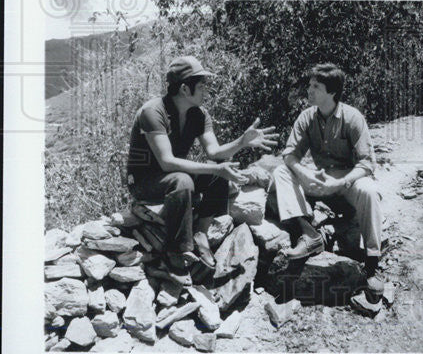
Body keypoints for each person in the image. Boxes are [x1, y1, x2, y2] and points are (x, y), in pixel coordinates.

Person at [125, 56, 278, 285]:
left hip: (172, 176)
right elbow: (166, 161)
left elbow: (214, 153)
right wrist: (216, 167)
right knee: (184, 181)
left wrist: (242, 142)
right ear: (185, 89)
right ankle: (176, 253)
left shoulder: (199, 114)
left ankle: (201, 233)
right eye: (202, 86)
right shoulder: (153, 112)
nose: (207, 91)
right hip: (144, 180)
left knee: (214, 174)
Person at [270, 64, 384, 294]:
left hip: (348, 182)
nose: (309, 91)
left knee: (370, 191)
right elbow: (290, 155)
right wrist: (304, 173)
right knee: (281, 172)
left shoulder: (353, 118)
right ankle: (309, 234)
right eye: (310, 85)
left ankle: (372, 265)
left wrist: (341, 182)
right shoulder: (307, 117)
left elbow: (366, 164)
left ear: (332, 92)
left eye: (316, 87)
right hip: (320, 180)